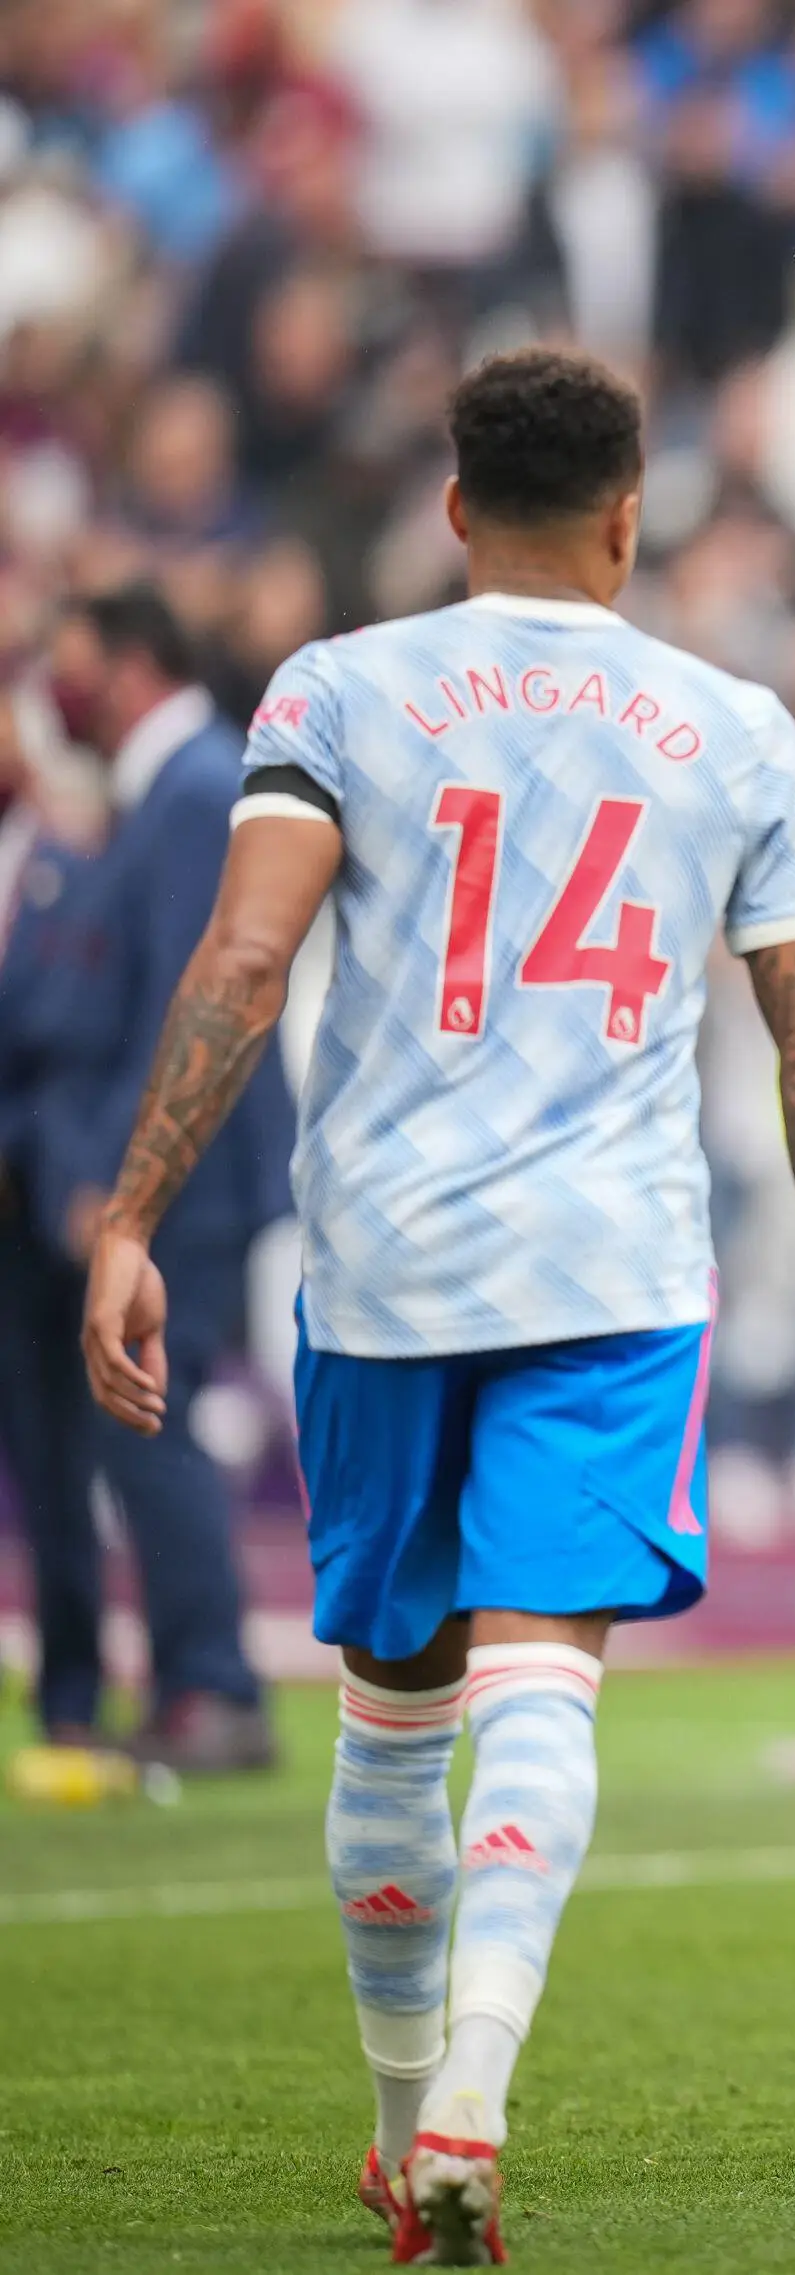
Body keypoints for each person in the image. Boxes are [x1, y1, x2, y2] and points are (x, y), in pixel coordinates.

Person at [78, 347, 795, 2266]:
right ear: (632, 517)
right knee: (545, 1678)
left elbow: (249, 952)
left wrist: (132, 1214)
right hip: (609, 1273)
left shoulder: (338, 690)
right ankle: (479, 2087)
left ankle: (395, 2124)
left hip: (381, 1268)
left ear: (453, 509)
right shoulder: (737, 729)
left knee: (391, 1714)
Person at [6, 587, 288, 1772]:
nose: (62, 695)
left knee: (148, 1430)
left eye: (74, 669)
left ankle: (212, 1686)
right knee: (123, 1436)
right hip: (152, 1170)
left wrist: (126, 1186)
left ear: (130, 668)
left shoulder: (192, 789)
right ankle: (182, 1684)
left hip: (176, 1179)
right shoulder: (162, 791)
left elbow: (197, 996)